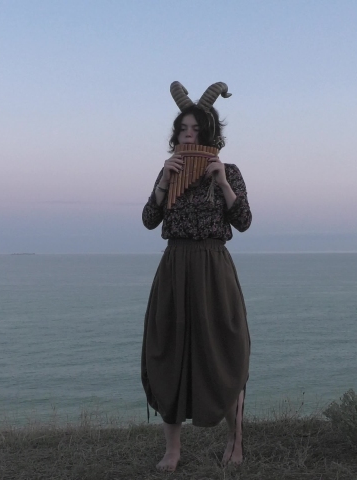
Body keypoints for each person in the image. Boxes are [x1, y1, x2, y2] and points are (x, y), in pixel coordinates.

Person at [141, 81, 252, 472]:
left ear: (210, 135)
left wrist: (221, 181)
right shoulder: (168, 171)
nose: (188, 136)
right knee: (168, 351)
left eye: (195, 130)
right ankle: (173, 449)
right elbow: (149, 221)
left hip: (213, 266)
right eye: (183, 130)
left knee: (224, 350)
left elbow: (244, 222)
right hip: (175, 265)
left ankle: (235, 440)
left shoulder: (230, 171)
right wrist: (161, 185)